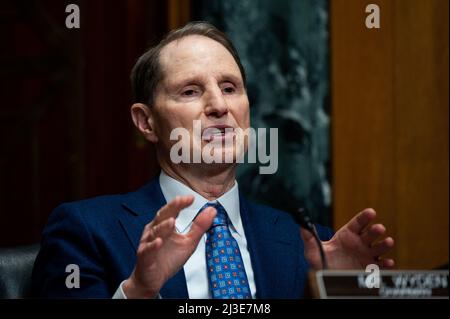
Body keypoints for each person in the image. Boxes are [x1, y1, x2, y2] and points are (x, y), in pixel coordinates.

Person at [31, 21, 395, 299]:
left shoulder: (306, 243)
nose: (219, 106)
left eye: (229, 88)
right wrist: (138, 291)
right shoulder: (86, 231)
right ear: (146, 122)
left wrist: (350, 289)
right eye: (190, 91)